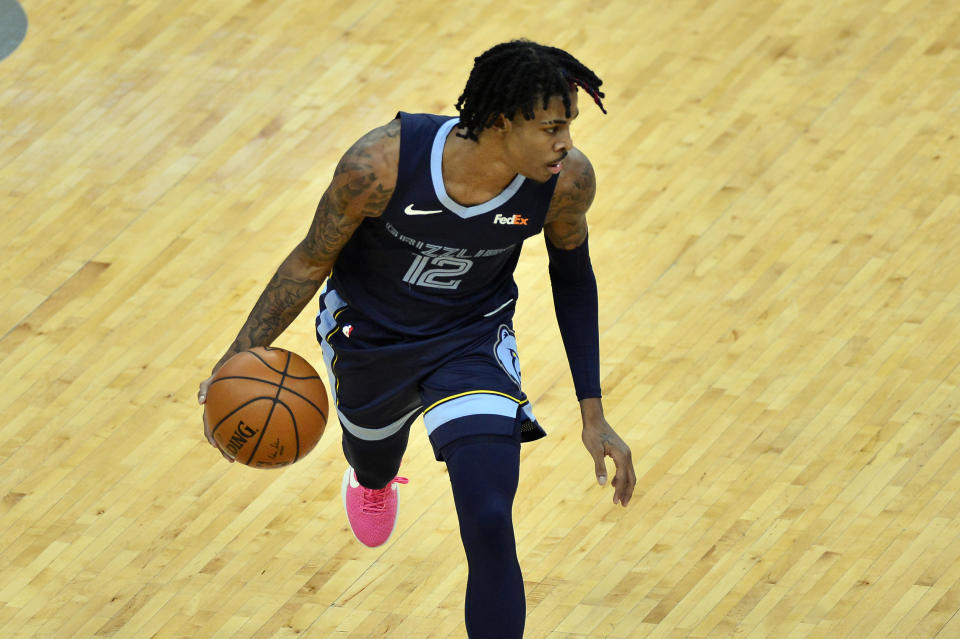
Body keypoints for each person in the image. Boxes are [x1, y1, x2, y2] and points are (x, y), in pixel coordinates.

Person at [198, 39, 635, 639]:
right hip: (369, 336)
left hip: (469, 340)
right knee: (374, 454)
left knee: (487, 516)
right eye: (551, 127)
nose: (565, 142)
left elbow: (573, 275)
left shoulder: (565, 182)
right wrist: (235, 359)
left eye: (569, 126)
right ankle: (372, 479)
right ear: (502, 122)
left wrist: (594, 411)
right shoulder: (378, 167)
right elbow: (310, 260)